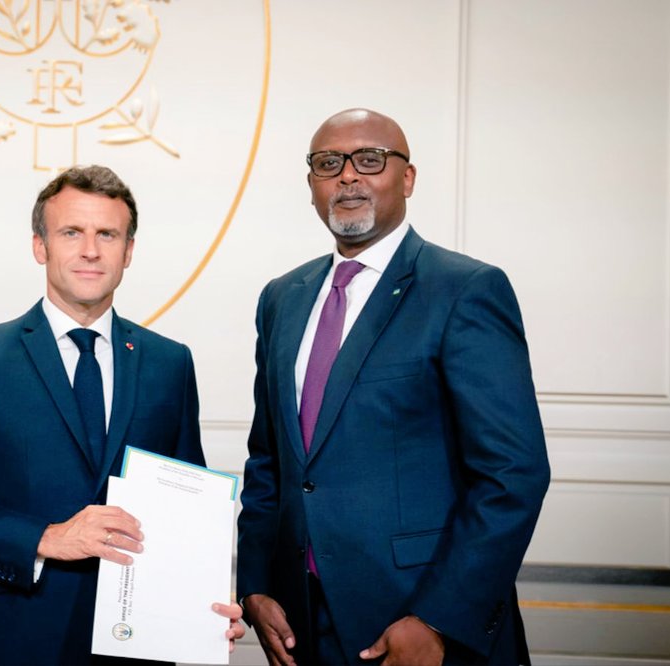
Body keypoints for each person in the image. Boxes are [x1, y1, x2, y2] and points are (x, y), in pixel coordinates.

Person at [236, 109, 550, 666]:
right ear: (311, 184)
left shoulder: (465, 290)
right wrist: (257, 584)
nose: (349, 176)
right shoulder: (282, 297)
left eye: (370, 160)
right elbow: (270, 461)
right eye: (329, 163)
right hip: (301, 622)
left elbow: (513, 475)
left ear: (407, 178)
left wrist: (438, 619)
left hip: (418, 624)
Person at [0, 165, 243, 665]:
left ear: (128, 251)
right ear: (40, 246)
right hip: (12, 639)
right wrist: (47, 538)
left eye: (107, 234)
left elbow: (185, 510)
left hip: (140, 645)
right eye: (71, 233)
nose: (90, 250)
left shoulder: (170, 363)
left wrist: (202, 606)